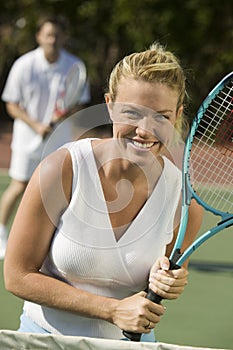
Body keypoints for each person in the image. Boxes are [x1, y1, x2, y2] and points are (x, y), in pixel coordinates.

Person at [4, 43, 203, 342]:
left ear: (176, 115)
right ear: (109, 105)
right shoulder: (62, 170)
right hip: (44, 339)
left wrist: (169, 281)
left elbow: (163, 281)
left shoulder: (184, 202)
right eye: (132, 113)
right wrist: (111, 310)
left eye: (161, 116)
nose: (145, 130)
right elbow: (17, 275)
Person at [0, 15, 91, 259]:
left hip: (58, 142)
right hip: (26, 140)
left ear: (64, 38)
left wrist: (60, 118)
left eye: (58, 35)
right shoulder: (23, 65)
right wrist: (36, 124)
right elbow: (11, 104)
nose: (53, 39)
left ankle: (52, 243)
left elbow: (78, 104)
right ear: (39, 36)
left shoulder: (74, 66)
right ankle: (0, 234)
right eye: (48, 34)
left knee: (56, 191)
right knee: (19, 186)